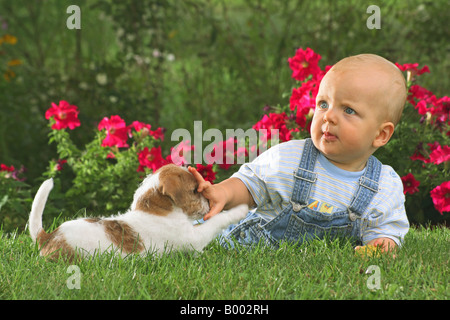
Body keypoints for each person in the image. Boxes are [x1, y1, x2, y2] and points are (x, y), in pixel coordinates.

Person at [189, 53, 409, 253]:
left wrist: (380, 247)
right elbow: (250, 185)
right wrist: (224, 193)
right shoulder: (291, 157)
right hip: (248, 248)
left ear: (381, 134)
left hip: (314, 272)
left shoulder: (384, 185)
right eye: (323, 104)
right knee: (188, 240)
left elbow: (386, 230)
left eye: (348, 110)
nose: (328, 116)